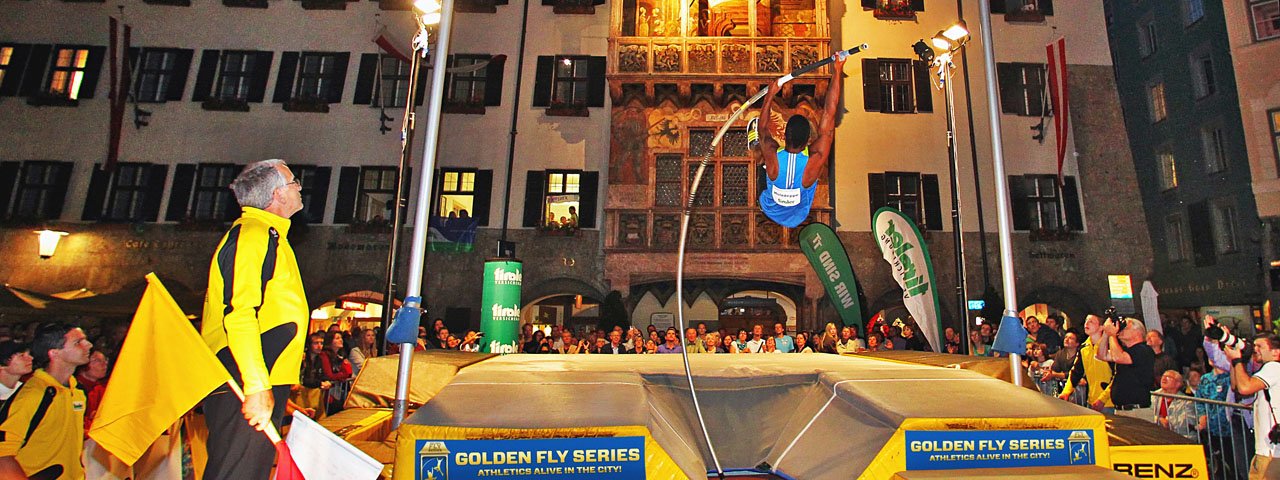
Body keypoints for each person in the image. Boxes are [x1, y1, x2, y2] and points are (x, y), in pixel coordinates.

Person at [202, 159, 309, 480]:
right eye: (294, 183)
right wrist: (257, 385)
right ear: (277, 194)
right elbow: (240, 312)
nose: (300, 188)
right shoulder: (254, 236)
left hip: (258, 377)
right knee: (238, 473)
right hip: (244, 379)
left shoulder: (270, 235)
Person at [752, 55, 843, 228]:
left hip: (769, 207)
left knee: (763, 152)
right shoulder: (816, 158)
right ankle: (759, 155)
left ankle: (757, 151)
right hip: (798, 215)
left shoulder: (772, 153)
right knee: (766, 160)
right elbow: (830, 113)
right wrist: (837, 72)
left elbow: (762, 128)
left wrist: (770, 94)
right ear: (809, 140)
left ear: (784, 136)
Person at [0, 323, 92, 479]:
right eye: (78, 343)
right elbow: (3, 453)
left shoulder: (77, 391)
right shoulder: (34, 394)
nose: (88, 345)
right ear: (55, 353)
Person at [1224, 333, 1280, 478]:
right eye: (1254, 346)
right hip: (1269, 450)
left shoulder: (1274, 368)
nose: (1255, 350)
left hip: (1271, 452)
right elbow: (1237, 387)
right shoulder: (1269, 370)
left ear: (1276, 352)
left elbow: (1245, 387)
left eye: (1260, 346)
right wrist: (1236, 362)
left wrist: (1237, 360)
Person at [1097, 317, 1154, 418]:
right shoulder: (1124, 350)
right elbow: (1102, 355)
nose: (1121, 330)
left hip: (1137, 411)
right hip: (1121, 409)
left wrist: (1112, 335)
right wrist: (1106, 334)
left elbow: (1119, 357)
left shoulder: (1144, 350)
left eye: (1125, 327)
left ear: (1137, 332)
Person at [1059, 315, 1113, 411]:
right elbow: (1076, 372)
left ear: (1101, 327)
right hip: (1091, 401)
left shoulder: (1109, 346)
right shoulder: (1084, 348)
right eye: (1086, 321)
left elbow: (1117, 375)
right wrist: (1066, 392)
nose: (1086, 324)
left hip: (1109, 402)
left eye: (1091, 321)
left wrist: (1103, 399)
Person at [1153, 370, 1196, 440]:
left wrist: (1167, 423)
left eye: (1168, 377)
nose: (1163, 378)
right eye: (1163, 376)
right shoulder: (1154, 395)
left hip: (1180, 438)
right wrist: (1158, 420)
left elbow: (1186, 425)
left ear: (1178, 383)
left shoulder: (1187, 402)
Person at [75, 350, 110, 433]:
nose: (104, 364)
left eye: (105, 360)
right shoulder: (74, 388)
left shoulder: (104, 388)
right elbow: (76, 415)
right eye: (97, 360)